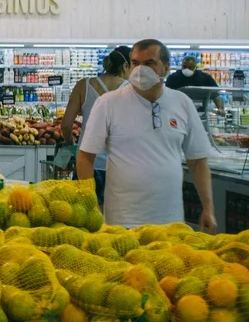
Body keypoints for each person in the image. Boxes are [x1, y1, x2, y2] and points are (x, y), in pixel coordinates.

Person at [78, 39, 217, 232]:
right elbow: (85, 156)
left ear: (166, 68)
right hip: (122, 224)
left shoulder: (182, 103)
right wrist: (91, 204)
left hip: (171, 222)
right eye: (135, 63)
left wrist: (208, 208)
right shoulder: (108, 104)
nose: (140, 70)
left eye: (149, 63)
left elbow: (198, 161)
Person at [60, 45, 131, 205]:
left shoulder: (83, 86)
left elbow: (65, 125)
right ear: (125, 66)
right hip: (119, 165)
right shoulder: (131, 90)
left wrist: (70, 145)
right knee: (115, 220)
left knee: (85, 215)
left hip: (86, 161)